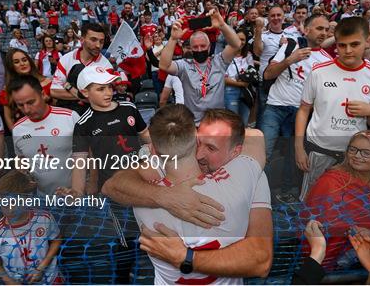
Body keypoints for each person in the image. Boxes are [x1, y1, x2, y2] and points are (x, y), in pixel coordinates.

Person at [103, 109, 273, 278]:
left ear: (153, 149)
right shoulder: (247, 175)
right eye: (200, 142)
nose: (200, 155)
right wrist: (166, 197)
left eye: (211, 148)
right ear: (194, 139)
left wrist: (184, 257)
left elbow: (113, 185)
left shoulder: (141, 202)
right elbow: (256, 136)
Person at [295, 17, 370, 200]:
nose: (348, 51)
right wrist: (298, 147)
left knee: (346, 204)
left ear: (367, 40)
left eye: (354, 44)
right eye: (342, 45)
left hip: (355, 156)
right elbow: (304, 109)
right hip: (319, 150)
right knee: (312, 200)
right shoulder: (319, 71)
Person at [303, 130, 370, 269]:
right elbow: (323, 226)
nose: (357, 156)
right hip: (335, 256)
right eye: (353, 150)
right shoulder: (332, 181)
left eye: (366, 153)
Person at [262, 14, 332, 198]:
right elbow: (268, 75)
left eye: (326, 29)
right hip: (275, 107)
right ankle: (261, 193)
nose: (324, 33)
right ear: (306, 30)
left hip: (301, 113)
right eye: (319, 28)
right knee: (264, 151)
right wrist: (290, 60)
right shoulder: (290, 45)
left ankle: (286, 193)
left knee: (294, 156)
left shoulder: (327, 61)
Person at [69, 66, 148, 194]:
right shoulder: (83, 125)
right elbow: (80, 164)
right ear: (85, 92)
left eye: (110, 87)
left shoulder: (129, 108)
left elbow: (145, 134)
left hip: (141, 179)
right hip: (112, 188)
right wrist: (76, 192)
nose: (109, 93)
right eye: (101, 89)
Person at [159, 8, 241, 124]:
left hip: (216, 122)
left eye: (203, 46)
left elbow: (236, 45)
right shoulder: (184, 65)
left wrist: (222, 25)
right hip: (193, 124)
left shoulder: (219, 61)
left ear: (209, 47)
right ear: (191, 49)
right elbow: (164, 65)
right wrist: (173, 39)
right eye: (195, 47)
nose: (199, 49)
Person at [0, 170, 64, 285]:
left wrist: (42, 267)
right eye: (5, 203)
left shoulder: (44, 219)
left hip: (50, 280)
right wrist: (10, 282)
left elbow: (56, 239)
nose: (10, 209)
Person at [11, 75, 79, 196]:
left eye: (31, 102)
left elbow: (90, 155)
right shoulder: (17, 129)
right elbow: (21, 160)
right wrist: (24, 175)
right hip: (42, 199)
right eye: (20, 105)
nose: (26, 110)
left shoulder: (70, 117)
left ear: (43, 95)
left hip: (75, 196)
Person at [51, 23, 113, 115]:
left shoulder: (106, 66)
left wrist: (70, 88)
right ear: (82, 39)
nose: (98, 45)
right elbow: (54, 91)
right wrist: (87, 96)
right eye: (93, 40)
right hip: (69, 113)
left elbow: (103, 98)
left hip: (95, 115)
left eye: (101, 41)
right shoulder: (66, 59)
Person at [0, 48, 52, 130]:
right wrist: (16, 135)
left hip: (51, 127)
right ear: (11, 66)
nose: (22, 64)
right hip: (25, 131)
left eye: (24, 60)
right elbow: (8, 117)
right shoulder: (7, 89)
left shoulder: (48, 83)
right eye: (16, 62)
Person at [253, 6, 287, 128]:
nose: (276, 18)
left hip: (284, 82)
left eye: (278, 15)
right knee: (263, 113)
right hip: (266, 82)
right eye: (272, 15)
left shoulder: (291, 34)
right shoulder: (263, 35)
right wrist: (258, 30)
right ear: (268, 18)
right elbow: (257, 52)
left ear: (284, 17)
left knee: (282, 114)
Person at [224, 30, 254, 126]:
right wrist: (240, 83)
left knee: (244, 123)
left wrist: (244, 82)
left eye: (243, 39)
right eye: (237, 38)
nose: (240, 41)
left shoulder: (248, 56)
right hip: (230, 91)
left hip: (246, 92)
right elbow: (223, 79)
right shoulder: (224, 55)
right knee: (233, 123)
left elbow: (252, 73)